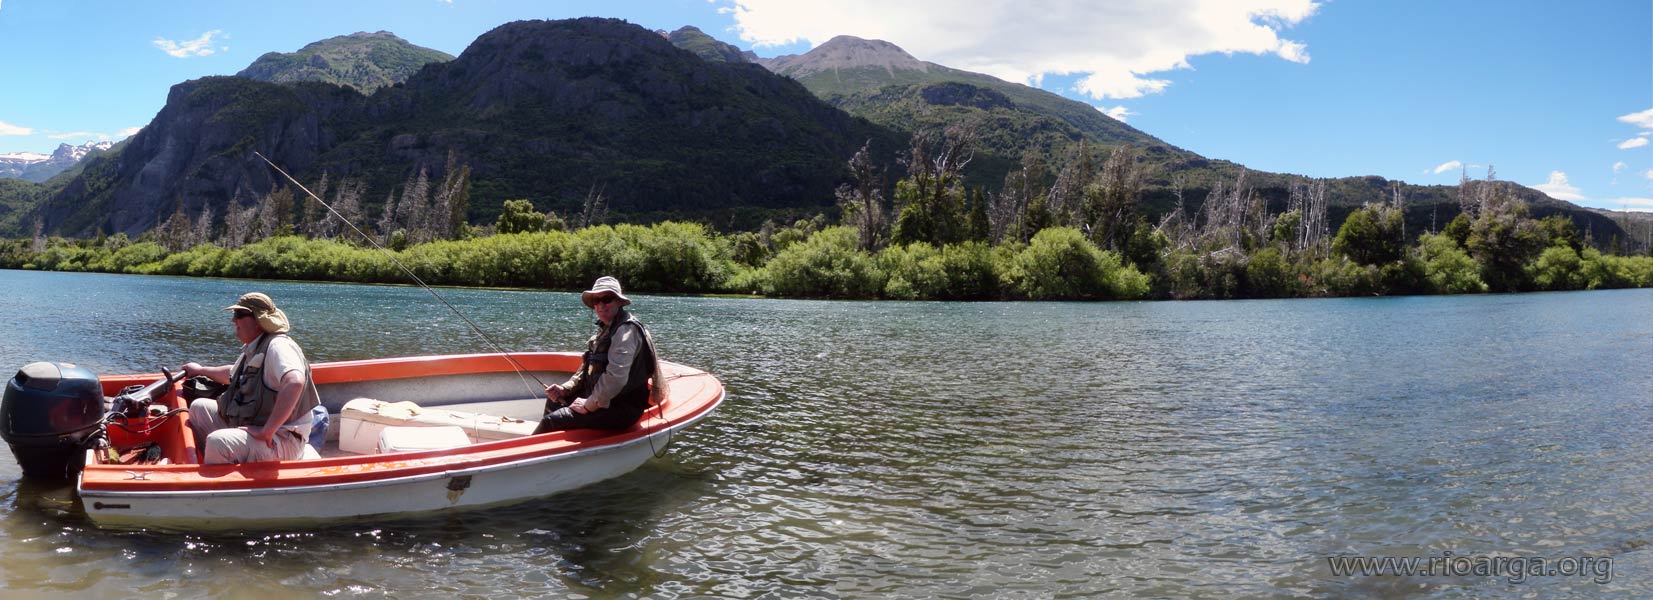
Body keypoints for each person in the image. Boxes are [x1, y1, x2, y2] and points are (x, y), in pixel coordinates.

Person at [182, 292, 319, 464]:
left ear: (259, 320)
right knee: (199, 408)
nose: (233, 320)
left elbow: (294, 381)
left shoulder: (278, 346)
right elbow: (232, 375)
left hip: (280, 439)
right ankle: (218, 464)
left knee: (218, 442)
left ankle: (221, 474)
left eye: (239, 314)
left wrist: (267, 431)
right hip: (257, 427)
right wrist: (200, 370)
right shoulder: (256, 346)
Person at [536, 276, 664, 433]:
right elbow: (587, 368)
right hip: (604, 402)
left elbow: (615, 378)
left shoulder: (626, 331)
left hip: (622, 409)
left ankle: (534, 447)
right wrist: (565, 389)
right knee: (554, 402)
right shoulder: (607, 328)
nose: (601, 305)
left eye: (607, 299)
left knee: (551, 421)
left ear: (619, 301)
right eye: (596, 301)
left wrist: (587, 405)